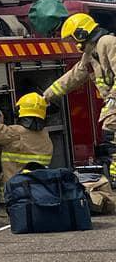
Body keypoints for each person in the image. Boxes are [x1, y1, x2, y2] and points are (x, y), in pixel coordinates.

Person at [43, 12, 116, 170]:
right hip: (111, 102)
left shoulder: (108, 42)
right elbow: (73, 77)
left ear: (81, 33)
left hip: (113, 101)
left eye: (73, 38)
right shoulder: (90, 54)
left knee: (111, 133)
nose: (74, 43)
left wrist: (112, 99)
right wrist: (46, 96)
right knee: (110, 139)